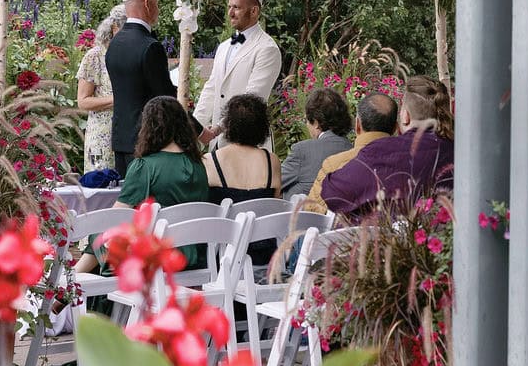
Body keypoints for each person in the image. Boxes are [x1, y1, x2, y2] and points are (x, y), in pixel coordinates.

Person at [73, 96, 210, 276]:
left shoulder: (144, 167)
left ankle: (70, 282)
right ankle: (71, 281)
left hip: (159, 256)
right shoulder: (198, 165)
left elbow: (116, 215)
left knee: (99, 235)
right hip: (196, 254)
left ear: (149, 127)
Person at [321, 75, 453, 219]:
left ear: (405, 116)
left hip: (390, 232)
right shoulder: (459, 151)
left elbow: (332, 193)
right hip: (448, 232)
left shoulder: (382, 151)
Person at [194, 0, 282, 147]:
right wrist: (194, 128)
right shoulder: (223, 47)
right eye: (229, 7)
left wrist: (217, 129)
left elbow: (252, 98)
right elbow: (211, 89)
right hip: (217, 144)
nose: (230, 13)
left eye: (236, 7)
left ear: (254, 11)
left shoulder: (267, 48)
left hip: (249, 143)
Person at [104, 0, 176, 176]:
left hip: (120, 138)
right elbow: (165, 98)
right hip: (147, 139)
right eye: (157, 4)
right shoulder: (150, 46)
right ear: (147, 4)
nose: (158, 10)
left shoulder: (114, 44)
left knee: (126, 193)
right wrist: (198, 131)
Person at [203, 93, 281, 267]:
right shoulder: (272, 161)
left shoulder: (210, 160)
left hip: (221, 257)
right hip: (263, 257)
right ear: (262, 126)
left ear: (229, 125)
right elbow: (275, 204)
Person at [303, 92, 398, 214]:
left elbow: (312, 212)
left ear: (357, 125)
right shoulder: (410, 164)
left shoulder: (334, 164)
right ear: (395, 128)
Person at [75, 6, 125, 171]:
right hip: (103, 136)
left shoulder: (130, 54)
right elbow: (83, 101)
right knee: (102, 181)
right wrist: (120, 99)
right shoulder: (95, 56)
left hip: (129, 133)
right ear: (113, 28)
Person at [280, 88, 353, 196]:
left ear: (316, 122)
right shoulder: (354, 150)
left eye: (306, 120)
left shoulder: (302, 151)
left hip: (306, 207)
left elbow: (273, 183)